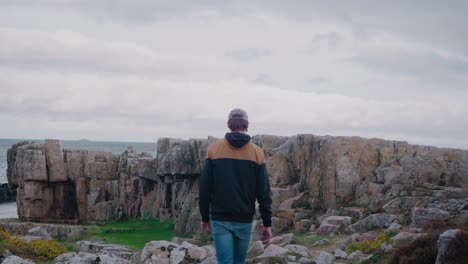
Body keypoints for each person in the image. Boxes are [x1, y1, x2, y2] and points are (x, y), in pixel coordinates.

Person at [199, 108, 273, 264]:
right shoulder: (257, 153)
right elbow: (264, 192)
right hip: (244, 218)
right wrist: (267, 223)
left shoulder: (214, 150)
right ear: (247, 125)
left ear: (228, 124)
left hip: (220, 218)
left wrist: (205, 217)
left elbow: (205, 188)